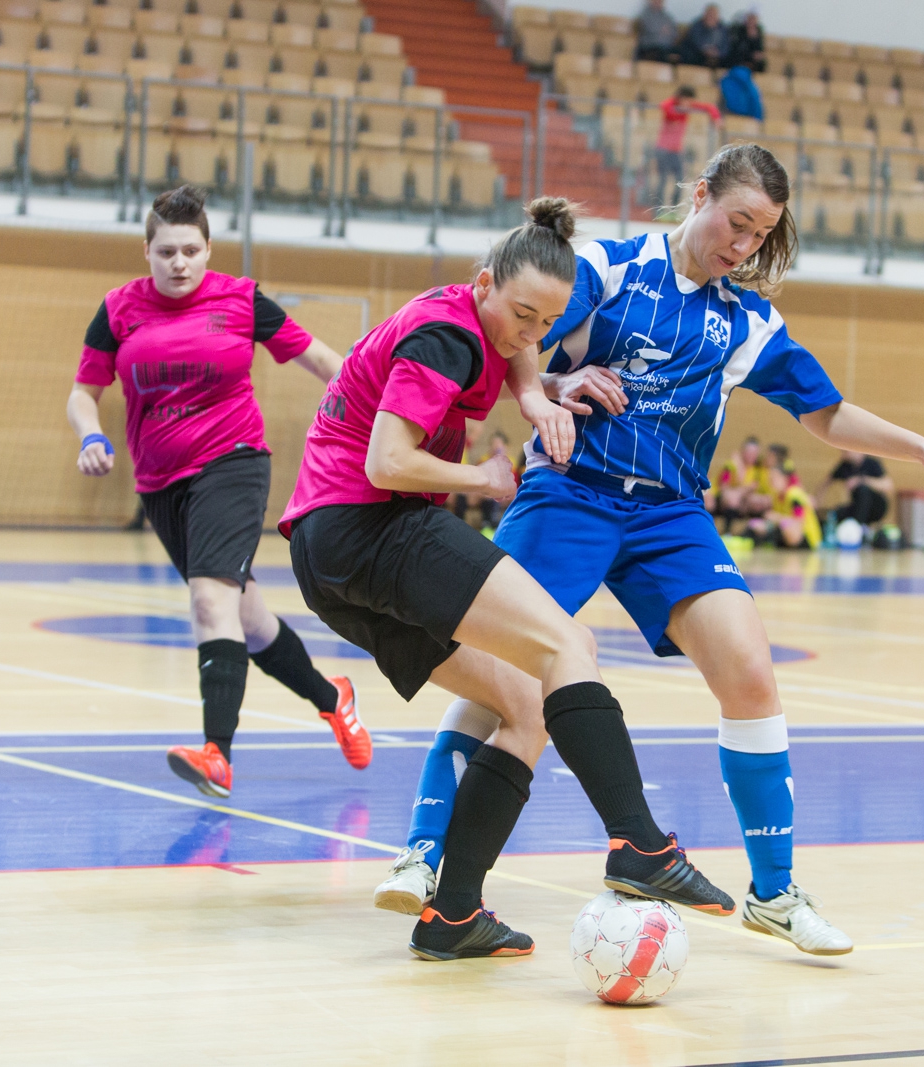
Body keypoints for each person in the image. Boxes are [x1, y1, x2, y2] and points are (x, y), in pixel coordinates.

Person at [374, 144, 924, 957]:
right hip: (570, 490)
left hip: (670, 514)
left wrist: (921, 449)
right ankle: (425, 850)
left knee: (751, 674)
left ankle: (774, 892)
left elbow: (825, 412)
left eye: (761, 235)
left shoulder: (748, 319)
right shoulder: (609, 266)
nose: (743, 246)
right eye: (736, 223)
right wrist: (548, 388)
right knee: (509, 672)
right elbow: (519, 324)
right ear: (700, 196)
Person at [283, 198, 733, 962]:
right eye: (521, 315)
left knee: (524, 703)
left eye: (544, 324)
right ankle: (642, 843)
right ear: (486, 283)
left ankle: (454, 913)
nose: (528, 336)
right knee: (567, 642)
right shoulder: (447, 338)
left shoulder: (481, 316)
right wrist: (485, 477)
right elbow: (386, 462)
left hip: (326, 558)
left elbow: (518, 351)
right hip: (371, 524)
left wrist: (537, 391)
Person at [67, 184, 368, 800]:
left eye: (191, 251)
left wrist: (378, 410)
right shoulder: (119, 309)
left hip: (232, 463)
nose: (179, 263)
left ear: (208, 251)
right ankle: (329, 696)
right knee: (249, 621)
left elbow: (321, 361)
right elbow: (83, 390)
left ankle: (217, 754)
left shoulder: (241, 300)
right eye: (166, 251)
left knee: (210, 602)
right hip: (159, 484)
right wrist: (89, 434)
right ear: (146, 251)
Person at [653, 86, 720, 206]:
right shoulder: (672, 105)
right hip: (663, 149)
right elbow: (664, 106)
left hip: (676, 150)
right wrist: (679, 110)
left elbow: (710, 107)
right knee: (662, 180)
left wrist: (716, 118)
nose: (688, 104)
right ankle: (658, 208)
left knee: (679, 180)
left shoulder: (688, 107)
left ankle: (673, 208)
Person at [816, 450, 893, 528]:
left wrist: (861, 480)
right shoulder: (845, 465)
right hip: (856, 506)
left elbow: (888, 485)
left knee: (862, 490)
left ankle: (857, 527)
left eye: (845, 451)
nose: (843, 454)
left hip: (876, 506)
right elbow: (825, 483)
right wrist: (818, 502)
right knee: (836, 513)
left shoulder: (871, 462)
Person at [747, 465, 820, 548]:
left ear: (784, 479)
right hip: (787, 532)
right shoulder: (775, 496)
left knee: (788, 529)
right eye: (770, 479)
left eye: (775, 478)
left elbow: (799, 521)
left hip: (807, 537)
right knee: (758, 525)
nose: (772, 482)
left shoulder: (794, 495)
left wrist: (777, 518)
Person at [710, 434, 772, 532]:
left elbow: (757, 488)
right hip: (722, 499)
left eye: (755, 453)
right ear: (743, 451)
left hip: (744, 500)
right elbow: (723, 487)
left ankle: (755, 532)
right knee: (732, 498)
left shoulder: (758, 469)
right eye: (749, 452)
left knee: (760, 501)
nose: (752, 455)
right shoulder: (731, 465)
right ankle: (727, 532)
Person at [679, 3, 730, 68]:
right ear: (705, 15)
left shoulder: (723, 29)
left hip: (716, 57)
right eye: (709, 14)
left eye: (714, 15)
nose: (711, 17)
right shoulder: (697, 25)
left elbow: (726, 46)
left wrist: (718, 53)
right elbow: (695, 41)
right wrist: (706, 50)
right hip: (698, 54)